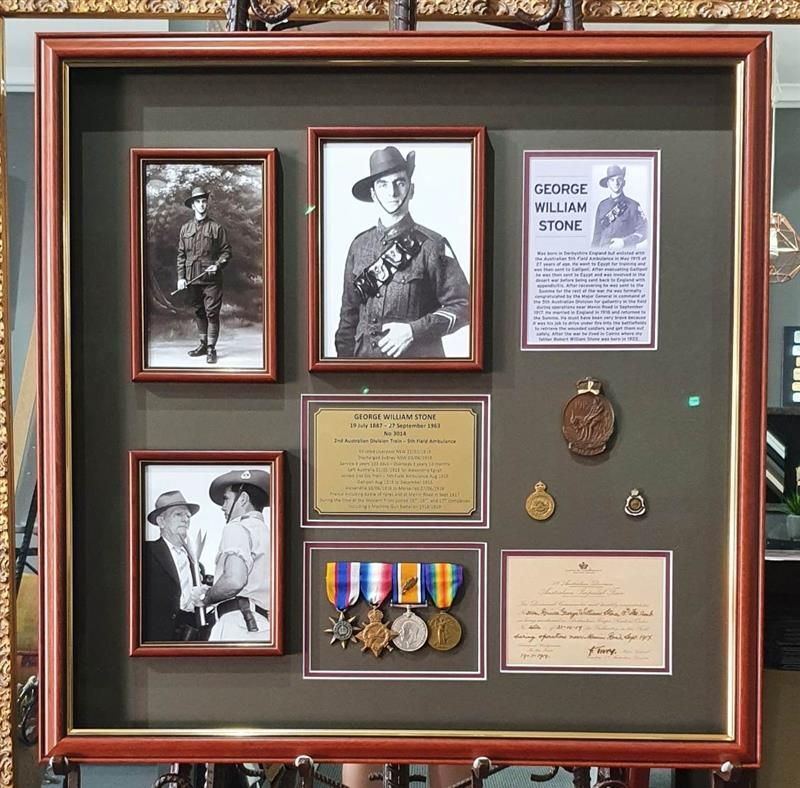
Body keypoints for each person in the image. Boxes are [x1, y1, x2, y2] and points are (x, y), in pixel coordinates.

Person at [334, 146, 470, 360]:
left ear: (411, 189)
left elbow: (465, 306)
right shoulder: (358, 246)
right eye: (383, 184)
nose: (392, 192)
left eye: (400, 182)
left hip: (417, 371)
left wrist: (413, 331)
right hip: (364, 368)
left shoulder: (433, 245)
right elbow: (348, 318)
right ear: (373, 193)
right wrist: (343, 371)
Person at [191, 469, 271, 641]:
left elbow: (234, 581)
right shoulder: (268, 533)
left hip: (237, 625)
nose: (223, 507)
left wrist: (206, 597)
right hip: (263, 626)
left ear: (242, 499)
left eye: (226, 499)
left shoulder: (237, 527)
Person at [142, 490, 212, 642]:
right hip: (157, 635)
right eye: (178, 515)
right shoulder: (145, 552)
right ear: (161, 521)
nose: (185, 519)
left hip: (191, 635)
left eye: (187, 515)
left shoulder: (196, 565)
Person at [176, 185, 232, 365]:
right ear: (192, 206)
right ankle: (202, 344)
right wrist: (181, 278)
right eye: (198, 202)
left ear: (207, 204)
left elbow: (226, 252)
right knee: (198, 311)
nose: (201, 205)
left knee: (211, 313)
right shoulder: (185, 229)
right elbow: (181, 255)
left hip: (211, 279)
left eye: (204, 201)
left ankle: (211, 349)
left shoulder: (216, 228)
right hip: (192, 278)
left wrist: (217, 265)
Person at [591, 165, 648, 249]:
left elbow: (645, 230)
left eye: (619, 179)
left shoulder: (633, 205)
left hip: (624, 257)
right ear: (608, 183)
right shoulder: (602, 205)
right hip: (603, 256)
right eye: (612, 180)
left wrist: (624, 242)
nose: (616, 183)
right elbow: (597, 235)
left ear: (624, 182)